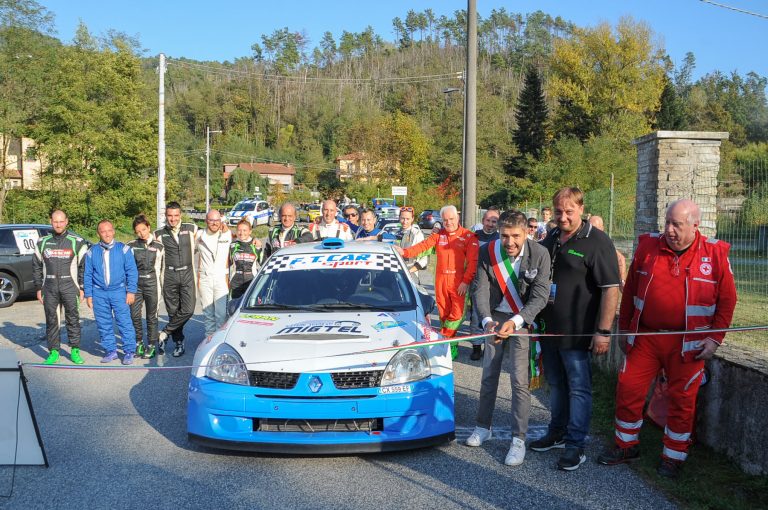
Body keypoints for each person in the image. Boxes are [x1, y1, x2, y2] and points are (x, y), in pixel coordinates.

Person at [598, 199, 737, 479]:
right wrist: (625, 329)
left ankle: (673, 457)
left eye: (677, 224)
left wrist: (714, 339)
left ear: (695, 225)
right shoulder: (649, 246)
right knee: (628, 389)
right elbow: (632, 291)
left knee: (682, 399)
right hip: (646, 338)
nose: (669, 230)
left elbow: (728, 301)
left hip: (689, 344)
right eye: (667, 223)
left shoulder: (715, 253)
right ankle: (626, 445)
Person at [531, 187, 620, 471]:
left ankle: (575, 444)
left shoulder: (597, 241)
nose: (564, 217)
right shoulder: (551, 237)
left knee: (579, 389)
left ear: (581, 209)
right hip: (550, 329)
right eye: (559, 211)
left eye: (569, 211)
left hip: (579, 331)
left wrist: (603, 332)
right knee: (556, 385)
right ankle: (557, 432)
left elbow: (610, 289)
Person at [467, 211, 551, 466]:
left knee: (519, 381)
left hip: (521, 320)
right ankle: (483, 426)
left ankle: (518, 439)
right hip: (494, 317)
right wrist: (486, 320)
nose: (510, 242)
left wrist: (515, 322)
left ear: (527, 232)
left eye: (516, 236)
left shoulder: (540, 254)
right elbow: (479, 289)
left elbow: (540, 296)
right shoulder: (488, 252)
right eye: (505, 236)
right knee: (488, 375)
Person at [395, 205, 479, 359]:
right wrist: (405, 252)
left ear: (458, 218)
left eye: (451, 219)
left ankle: (442, 339)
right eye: (445, 220)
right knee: (444, 315)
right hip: (441, 282)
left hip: (459, 283)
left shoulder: (468, 236)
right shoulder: (438, 236)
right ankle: (451, 348)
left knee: (457, 315)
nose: (449, 223)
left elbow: (473, 263)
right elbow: (423, 247)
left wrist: (466, 281)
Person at [33, 209, 89, 365]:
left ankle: (75, 351)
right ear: (51, 222)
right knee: (52, 320)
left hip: (71, 287)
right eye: (55, 221)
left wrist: (82, 288)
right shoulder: (42, 242)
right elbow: (36, 266)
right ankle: (53, 352)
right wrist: (39, 288)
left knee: (73, 319)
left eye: (61, 221)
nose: (58, 224)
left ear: (66, 222)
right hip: (49, 288)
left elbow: (84, 267)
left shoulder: (77, 242)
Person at [84, 220, 139, 365]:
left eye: (109, 230)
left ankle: (129, 351)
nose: (106, 234)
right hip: (99, 293)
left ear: (113, 231)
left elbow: (132, 272)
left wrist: (131, 291)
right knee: (103, 323)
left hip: (119, 291)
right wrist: (88, 295)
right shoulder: (91, 252)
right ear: (98, 233)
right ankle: (111, 351)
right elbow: (87, 274)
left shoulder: (124, 249)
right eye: (103, 231)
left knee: (124, 322)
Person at [155, 202, 198, 357]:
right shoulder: (159, 234)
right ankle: (179, 343)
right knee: (173, 312)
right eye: (170, 216)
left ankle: (165, 333)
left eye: (176, 215)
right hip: (169, 276)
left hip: (187, 274)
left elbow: (211, 235)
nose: (173, 219)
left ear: (180, 215)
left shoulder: (192, 228)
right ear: (166, 216)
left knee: (188, 309)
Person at [128, 214, 165, 359]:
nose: (141, 233)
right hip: (136, 285)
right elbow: (127, 268)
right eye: (138, 231)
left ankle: (151, 345)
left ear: (149, 227)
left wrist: (163, 287)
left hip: (153, 284)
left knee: (151, 317)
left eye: (143, 229)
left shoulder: (159, 246)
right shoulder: (131, 246)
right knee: (134, 315)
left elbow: (163, 269)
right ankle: (139, 343)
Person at [469, 208, 501, 360]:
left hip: (495, 283)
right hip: (475, 281)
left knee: (491, 315)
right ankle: (476, 347)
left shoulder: (501, 239)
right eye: (488, 220)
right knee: (476, 315)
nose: (490, 224)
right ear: (482, 221)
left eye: (494, 221)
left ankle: (491, 346)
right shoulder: (472, 237)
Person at [195, 209, 232, 337]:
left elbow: (244, 237)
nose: (214, 223)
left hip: (221, 279)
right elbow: (188, 250)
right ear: (206, 221)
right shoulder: (199, 235)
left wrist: (255, 240)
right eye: (211, 220)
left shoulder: (227, 235)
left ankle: (220, 339)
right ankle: (209, 339)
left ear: (220, 221)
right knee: (208, 313)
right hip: (205, 278)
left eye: (217, 220)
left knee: (221, 314)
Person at [589, 215, 627, 292]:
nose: (593, 231)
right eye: (591, 227)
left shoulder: (603, 242)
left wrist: (622, 281)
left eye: (596, 228)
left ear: (602, 228)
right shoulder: (583, 238)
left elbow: (620, 258)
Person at [229, 219, 263, 300]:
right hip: (235, 281)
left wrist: (259, 247)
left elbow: (262, 262)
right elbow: (228, 264)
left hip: (251, 280)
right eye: (239, 230)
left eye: (245, 230)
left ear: (250, 231)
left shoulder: (255, 244)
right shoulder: (232, 245)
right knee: (234, 306)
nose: (242, 233)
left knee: (250, 304)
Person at [395, 206, 427, 283]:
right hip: (395, 274)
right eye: (402, 218)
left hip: (411, 276)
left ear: (412, 219)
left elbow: (424, 259)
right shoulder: (395, 233)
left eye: (408, 219)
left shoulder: (417, 234)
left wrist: (409, 271)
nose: (405, 221)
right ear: (399, 218)